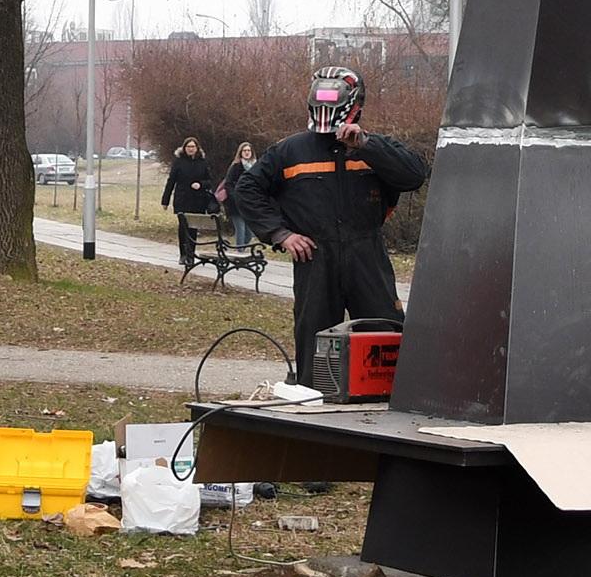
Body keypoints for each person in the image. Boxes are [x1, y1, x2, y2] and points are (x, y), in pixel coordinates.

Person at [230, 65, 426, 381]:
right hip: (314, 257)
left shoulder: (375, 147)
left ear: (357, 106)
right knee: (314, 337)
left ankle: (385, 399)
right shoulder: (290, 150)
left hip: (366, 253)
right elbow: (247, 190)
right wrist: (281, 234)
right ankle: (315, 397)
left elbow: (414, 176)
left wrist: (367, 145)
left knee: (384, 331)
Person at [161, 136, 215, 269]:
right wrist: (165, 200)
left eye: (193, 147)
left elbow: (209, 181)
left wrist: (200, 184)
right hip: (182, 199)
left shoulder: (202, 162)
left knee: (193, 228)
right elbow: (171, 181)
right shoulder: (179, 162)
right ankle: (183, 254)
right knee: (183, 226)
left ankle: (191, 254)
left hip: (198, 200)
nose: (191, 149)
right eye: (188, 147)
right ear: (184, 148)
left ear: (197, 148)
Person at [214, 140, 260, 249]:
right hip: (236, 203)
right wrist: (235, 196)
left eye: (249, 150)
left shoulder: (256, 166)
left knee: (250, 232)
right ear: (240, 152)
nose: (247, 152)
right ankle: (240, 252)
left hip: (250, 203)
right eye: (244, 151)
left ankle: (240, 250)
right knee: (241, 229)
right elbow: (228, 184)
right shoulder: (236, 166)